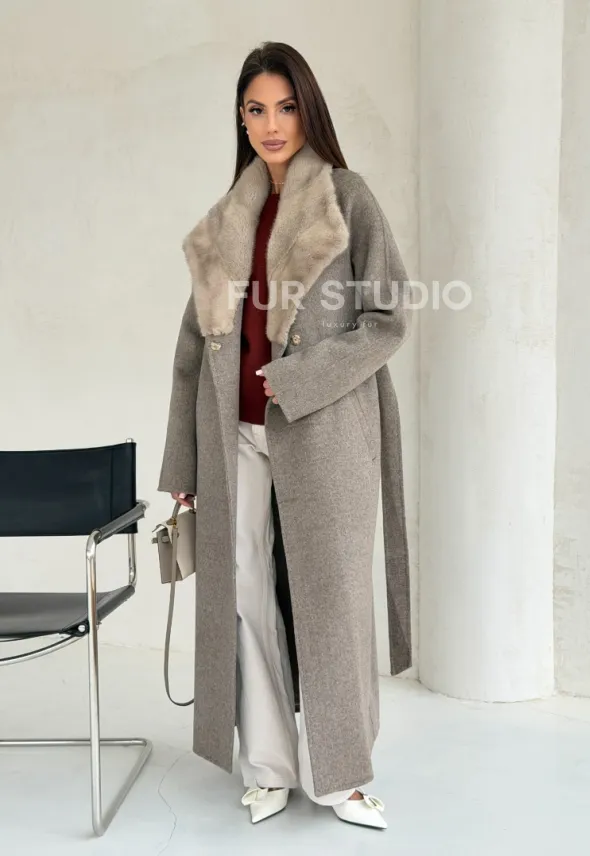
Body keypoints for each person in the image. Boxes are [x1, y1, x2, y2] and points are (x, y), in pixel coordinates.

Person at [158, 40, 412, 830]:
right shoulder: (227, 219)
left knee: (331, 601)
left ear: (308, 109)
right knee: (242, 597)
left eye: (286, 106)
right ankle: (268, 768)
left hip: (323, 431)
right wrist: (182, 466)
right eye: (256, 109)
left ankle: (342, 776)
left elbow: (388, 318)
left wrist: (300, 378)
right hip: (231, 435)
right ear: (241, 119)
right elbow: (192, 351)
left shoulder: (347, 197)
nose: (272, 124)